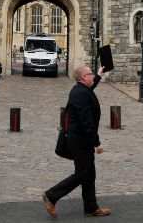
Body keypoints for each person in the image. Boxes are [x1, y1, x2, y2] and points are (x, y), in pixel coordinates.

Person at [42, 65, 110, 218]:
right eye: (91, 73)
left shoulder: (81, 90)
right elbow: (86, 121)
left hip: (81, 140)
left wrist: (98, 75)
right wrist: (96, 143)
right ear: (84, 77)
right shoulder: (80, 94)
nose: (93, 76)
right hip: (80, 141)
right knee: (83, 173)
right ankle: (51, 195)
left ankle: (91, 207)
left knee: (89, 173)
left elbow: (89, 90)